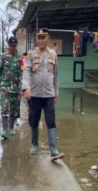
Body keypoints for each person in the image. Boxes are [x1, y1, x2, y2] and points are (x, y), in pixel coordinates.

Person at [22, 28, 64, 161]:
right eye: (39, 38)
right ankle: (34, 144)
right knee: (34, 120)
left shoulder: (53, 54)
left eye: (43, 37)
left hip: (49, 95)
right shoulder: (31, 54)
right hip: (34, 94)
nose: (41, 40)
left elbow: (55, 75)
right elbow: (26, 71)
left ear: (48, 39)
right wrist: (26, 88)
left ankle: (53, 150)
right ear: (36, 39)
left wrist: (56, 92)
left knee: (51, 121)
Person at [0, 36, 22, 139]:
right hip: (5, 87)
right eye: (10, 45)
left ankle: (11, 127)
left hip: (16, 87)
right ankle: (4, 130)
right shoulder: (3, 57)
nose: (12, 47)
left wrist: (22, 87)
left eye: (14, 45)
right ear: (8, 46)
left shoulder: (20, 58)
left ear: (16, 45)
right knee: (4, 107)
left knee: (14, 109)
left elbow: (23, 72)